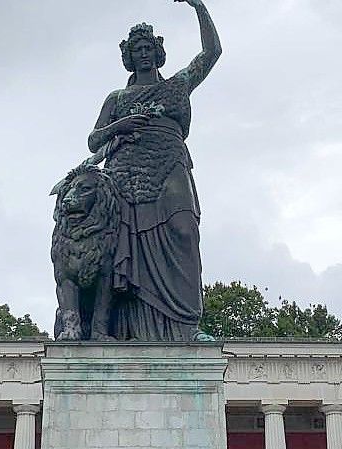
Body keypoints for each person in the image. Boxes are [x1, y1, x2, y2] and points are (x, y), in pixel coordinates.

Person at [87, 0, 221, 341]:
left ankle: (187, 325)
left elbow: (212, 52)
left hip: (169, 163)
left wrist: (198, 6)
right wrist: (120, 125)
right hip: (126, 174)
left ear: (158, 51)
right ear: (129, 56)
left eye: (148, 48)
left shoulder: (178, 84)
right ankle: (129, 327)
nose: (144, 54)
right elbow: (93, 140)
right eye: (137, 49)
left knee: (184, 230)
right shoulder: (116, 98)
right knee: (124, 248)